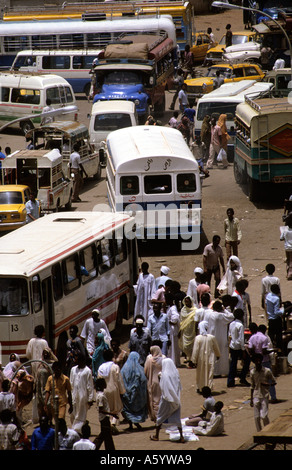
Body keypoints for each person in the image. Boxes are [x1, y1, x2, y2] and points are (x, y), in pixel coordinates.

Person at [150, 358, 184, 443]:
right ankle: (182, 436)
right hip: (176, 399)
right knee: (177, 418)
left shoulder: (163, 375)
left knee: (160, 416)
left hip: (166, 399)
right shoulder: (176, 373)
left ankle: (156, 436)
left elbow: (163, 387)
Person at [97, 349, 125, 434]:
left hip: (104, 390)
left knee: (107, 408)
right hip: (114, 390)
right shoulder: (115, 367)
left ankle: (108, 424)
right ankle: (113, 423)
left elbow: (99, 379)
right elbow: (119, 380)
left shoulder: (101, 367)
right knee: (115, 408)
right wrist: (122, 391)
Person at [248, 323, 277, 404]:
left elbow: (250, 349)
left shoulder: (252, 337)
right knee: (269, 379)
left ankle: (258, 397)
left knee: (256, 381)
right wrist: (273, 350)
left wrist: (254, 356)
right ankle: (273, 397)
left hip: (256, 361)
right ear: (264, 330)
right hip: (264, 361)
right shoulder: (264, 338)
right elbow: (264, 351)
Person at [121, 351, 148, 431]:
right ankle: (136, 423)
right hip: (137, 395)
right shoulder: (140, 369)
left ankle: (131, 425)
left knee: (127, 409)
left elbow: (121, 380)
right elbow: (143, 380)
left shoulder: (124, 369)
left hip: (126, 393)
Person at [191, 321, 221, 393]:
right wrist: (218, 355)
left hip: (200, 359)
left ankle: (200, 387)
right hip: (210, 358)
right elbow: (216, 347)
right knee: (210, 374)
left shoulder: (198, 338)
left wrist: (194, 360)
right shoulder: (211, 337)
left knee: (200, 373)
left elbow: (195, 350)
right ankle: (209, 388)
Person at [250, 353, 277, 432]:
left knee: (264, 416)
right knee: (256, 417)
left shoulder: (267, 371)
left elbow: (274, 382)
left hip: (264, 395)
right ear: (254, 362)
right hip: (256, 395)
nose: (258, 362)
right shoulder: (252, 372)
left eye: (259, 360)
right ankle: (259, 432)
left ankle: (268, 430)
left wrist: (267, 384)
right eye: (256, 360)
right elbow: (252, 386)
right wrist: (251, 399)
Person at [207, 300, 234, 377]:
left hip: (212, 337)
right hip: (221, 338)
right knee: (221, 354)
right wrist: (224, 309)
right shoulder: (221, 316)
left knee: (213, 354)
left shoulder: (210, 314)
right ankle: (219, 371)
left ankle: (214, 371)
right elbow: (232, 316)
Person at [69, 353, 94, 433]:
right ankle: (77, 427)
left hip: (83, 396)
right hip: (74, 394)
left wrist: (90, 398)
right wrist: (69, 395)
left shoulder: (87, 371)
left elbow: (90, 385)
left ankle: (77, 430)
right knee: (73, 413)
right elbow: (71, 382)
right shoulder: (73, 369)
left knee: (81, 413)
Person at [227, 309, 251, 388]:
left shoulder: (231, 324)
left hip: (232, 345)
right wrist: (243, 350)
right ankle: (242, 377)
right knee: (247, 360)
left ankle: (230, 381)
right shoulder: (240, 325)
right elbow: (241, 339)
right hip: (239, 347)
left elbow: (229, 335)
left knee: (233, 363)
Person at [94, 378, 116, 450]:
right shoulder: (101, 396)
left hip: (104, 417)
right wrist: (112, 414)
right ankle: (93, 447)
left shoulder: (100, 394)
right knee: (104, 434)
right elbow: (101, 409)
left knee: (107, 435)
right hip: (104, 418)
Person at [144, 345, 164, 422]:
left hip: (153, 382)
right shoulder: (164, 360)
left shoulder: (150, 360)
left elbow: (145, 371)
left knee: (155, 400)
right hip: (162, 381)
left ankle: (156, 417)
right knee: (162, 399)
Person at [178, 296, 197, 367]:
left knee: (193, 346)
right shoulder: (183, 310)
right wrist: (180, 331)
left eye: (188, 301)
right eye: (185, 301)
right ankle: (191, 358)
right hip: (185, 331)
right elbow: (181, 322)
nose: (186, 303)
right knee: (185, 347)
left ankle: (193, 360)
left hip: (192, 331)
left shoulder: (195, 310)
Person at [265, 284, 284, 352]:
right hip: (276, 319)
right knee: (278, 336)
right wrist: (282, 310)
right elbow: (276, 312)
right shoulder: (276, 298)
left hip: (270, 318)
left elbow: (266, 304)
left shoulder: (268, 296)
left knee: (271, 336)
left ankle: (270, 349)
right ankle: (279, 350)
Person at [165, 291, 181, 367]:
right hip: (172, 329)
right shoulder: (170, 307)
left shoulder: (173, 308)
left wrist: (169, 321)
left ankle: (173, 362)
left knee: (173, 346)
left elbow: (175, 318)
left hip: (173, 329)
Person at [280, 212, 292, 280]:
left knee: (289, 260)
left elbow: (281, 238)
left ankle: (289, 273)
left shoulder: (285, 230)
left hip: (287, 247)